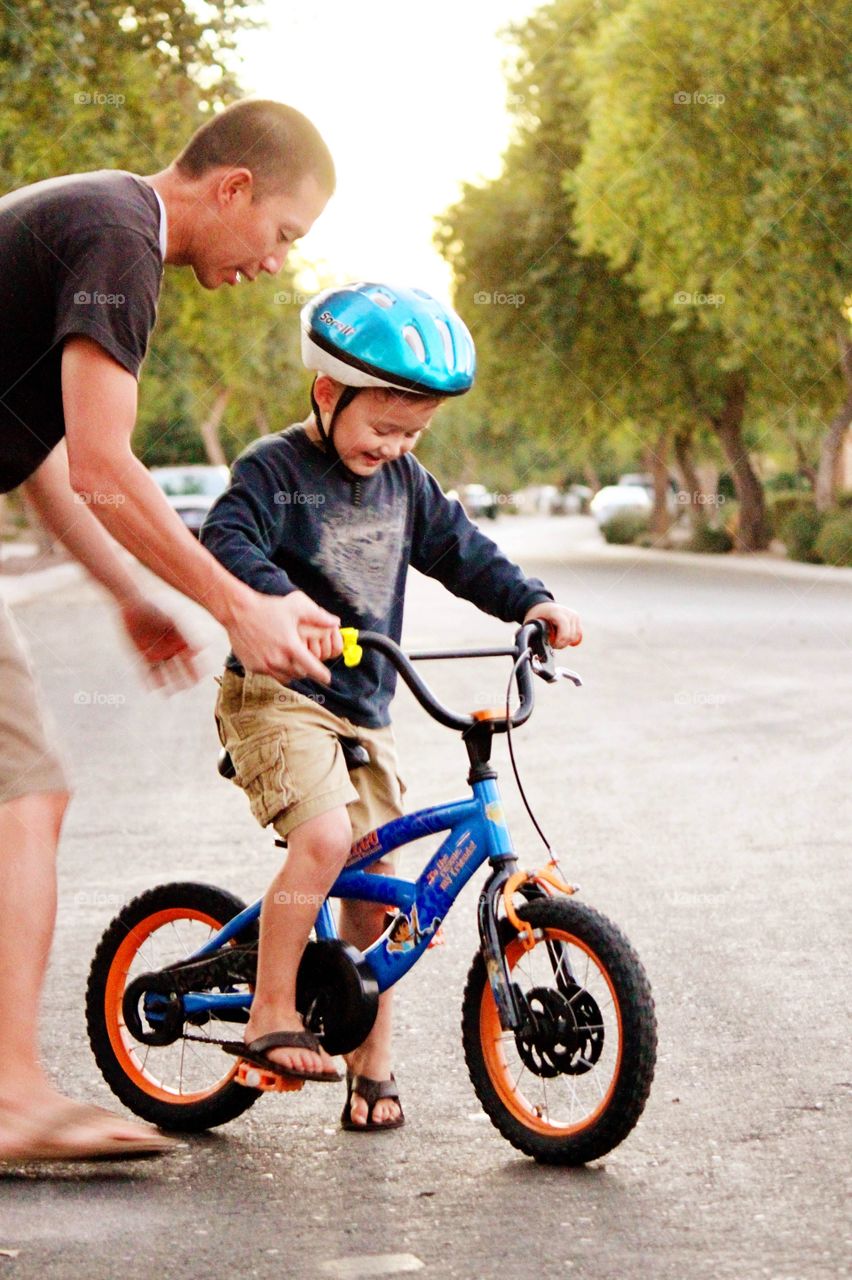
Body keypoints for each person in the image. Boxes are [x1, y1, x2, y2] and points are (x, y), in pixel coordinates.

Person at [0, 100, 344, 1163]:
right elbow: (105, 465)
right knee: (24, 791)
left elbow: (32, 455)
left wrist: (128, 592)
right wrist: (239, 603)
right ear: (232, 188)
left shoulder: (93, 220)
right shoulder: (121, 239)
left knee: (20, 790)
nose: (276, 263)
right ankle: (12, 1097)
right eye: (284, 234)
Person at [201, 282, 582, 1131]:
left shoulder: (406, 483)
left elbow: (463, 552)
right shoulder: (275, 469)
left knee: (378, 889)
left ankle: (370, 1069)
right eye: (383, 425)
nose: (396, 444)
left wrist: (531, 603)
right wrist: (275, 603)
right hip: (279, 695)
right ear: (328, 393)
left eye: (413, 431)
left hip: (364, 702)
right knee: (328, 839)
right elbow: (226, 538)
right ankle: (270, 1011)